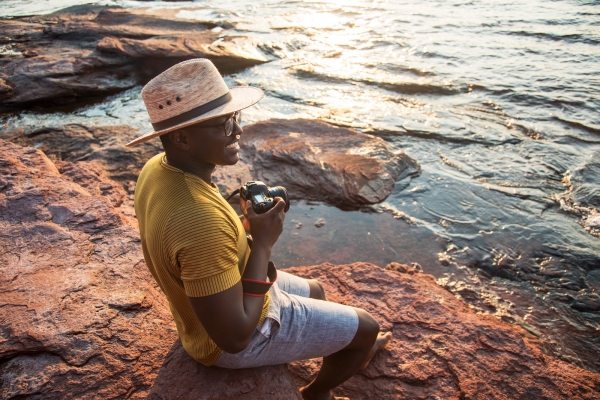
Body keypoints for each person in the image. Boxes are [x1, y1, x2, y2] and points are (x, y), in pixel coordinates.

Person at [128, 59, 391, 400]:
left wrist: (244, 227)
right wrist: (263, 242)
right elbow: (234, 338)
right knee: (367, 327)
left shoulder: (156, 170)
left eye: (235, 118)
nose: (237, 131)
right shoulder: (199, 217)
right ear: (182, 138)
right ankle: (316, 393)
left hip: (213, 300)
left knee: (317, 290)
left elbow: (194, 247)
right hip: (223, 340)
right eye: (224, 124)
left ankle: (339, 344)